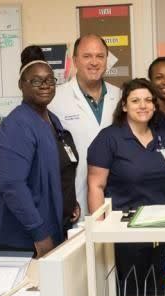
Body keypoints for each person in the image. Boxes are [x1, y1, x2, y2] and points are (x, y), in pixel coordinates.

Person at [87, 78, 165, 296]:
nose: (143, 105)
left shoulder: (164, 135)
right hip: (125, 231)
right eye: (135, 100)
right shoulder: (109, 138)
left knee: (160, 289)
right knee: (133, 292)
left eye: (148, 100)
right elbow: (96, 186)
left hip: (163, 228)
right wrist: (100, 231)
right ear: (124, 106)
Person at [0, 45, 78, 256]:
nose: (45, 86)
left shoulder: (52, 120)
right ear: (21, 85)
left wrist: (69, 203)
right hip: (16, 235)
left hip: (48, 225)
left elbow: (57, 169)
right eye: (36, 81)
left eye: (50, 80)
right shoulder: (17, 124)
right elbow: (12, 185)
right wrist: (40, 235)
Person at [50, 34, 121, 214]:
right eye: (87, 56)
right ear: (75, 60)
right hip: (73, 196)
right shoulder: (55, 99)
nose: (94, 62)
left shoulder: (120, 96)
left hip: (117, 192)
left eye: (100, 56)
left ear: (106, 60)